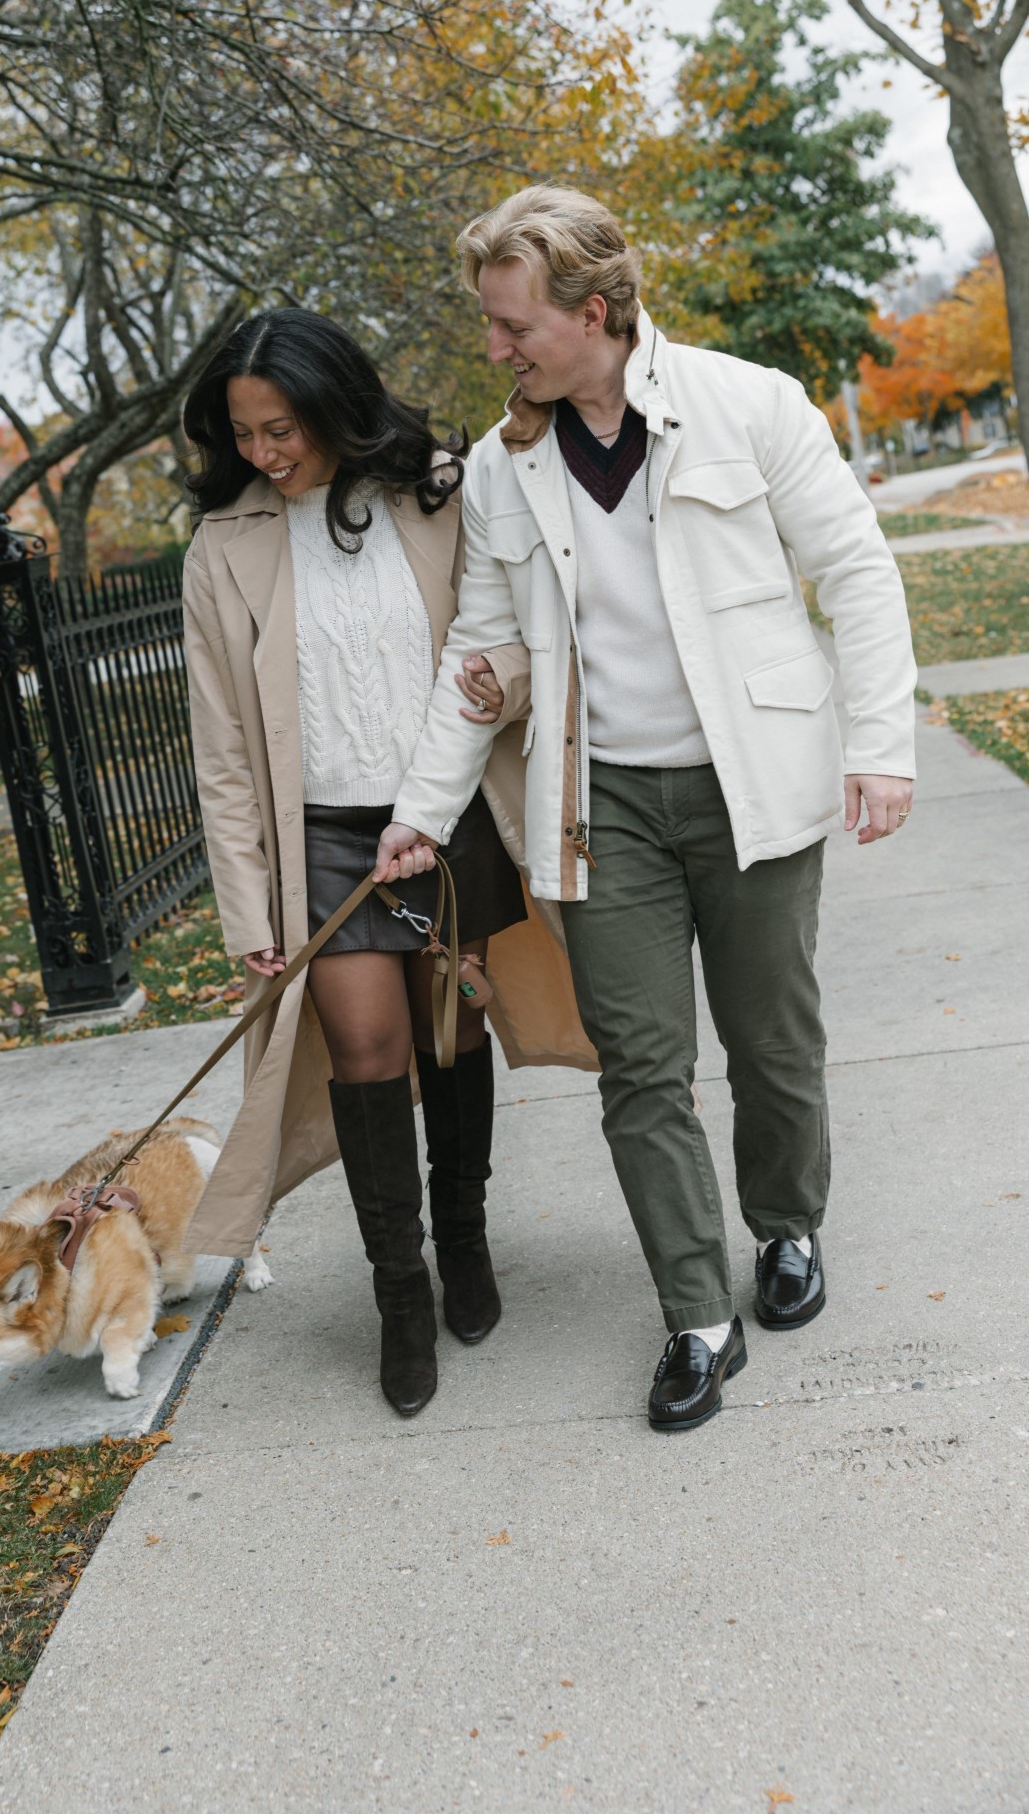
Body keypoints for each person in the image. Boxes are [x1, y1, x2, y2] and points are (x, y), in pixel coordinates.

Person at [378, 186, 917, 1432]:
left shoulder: (749, 403)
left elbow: (856, 572)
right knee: (642, 1067)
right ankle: (696, 1312)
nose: (497, 347)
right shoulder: (507, 465)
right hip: (598, 802)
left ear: (595, 307)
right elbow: (482, 645)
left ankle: (785, 1225)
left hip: (754, 788)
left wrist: (880, 746)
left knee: (773, 1043)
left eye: (514, 324)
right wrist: (421, 809)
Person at [178, 307, 596, 1417]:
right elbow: (220, 746)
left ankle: (464, 1237)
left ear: (335, 404)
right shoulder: (224, 547)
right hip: (318, 837)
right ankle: (398, 1287)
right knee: (366, 1045)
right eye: (246, 432)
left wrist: (495, 683)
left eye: (284, 427)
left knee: (449, 1026)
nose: (266, 452)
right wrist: (244, 905)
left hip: (445, 814)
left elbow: (519, 633)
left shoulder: (441, 495)